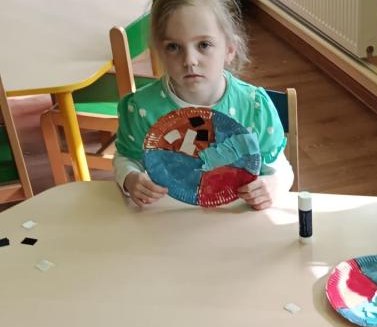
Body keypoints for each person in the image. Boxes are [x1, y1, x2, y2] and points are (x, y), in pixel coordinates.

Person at [113, 0, 293, 209]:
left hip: (236, 217)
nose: (189, 60)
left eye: (204, 45)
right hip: (169, 218)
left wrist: (274, 184)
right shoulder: (143, 109)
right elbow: (126, 158)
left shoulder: (253, 108)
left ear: (230, 49)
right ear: (160, 52)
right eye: (173, 47)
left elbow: (280, 169)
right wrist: (130, 178)